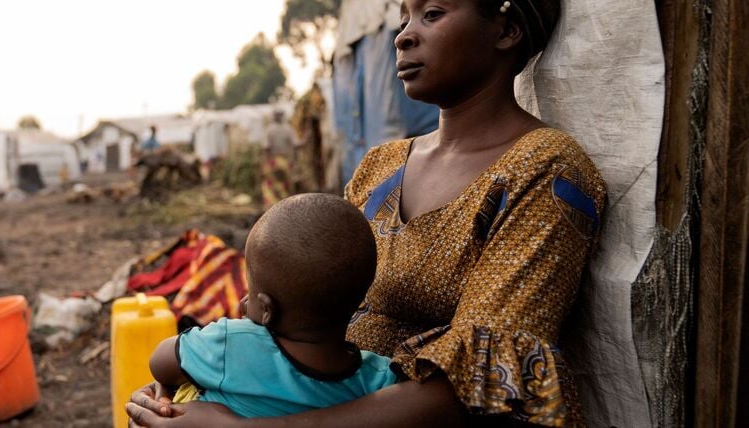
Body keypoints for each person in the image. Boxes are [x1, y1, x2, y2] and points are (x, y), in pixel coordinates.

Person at [127, 0, 606, 426]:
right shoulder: (380, 166)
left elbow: (484, 382)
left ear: (505, 31)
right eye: (403, 18)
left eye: (432, 14)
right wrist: (195, 391)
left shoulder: (545, 171)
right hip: (308, 398)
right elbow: (303, 309)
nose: (404, 35)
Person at [147, 194, 396, 418]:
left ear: (267, 310)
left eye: (251, 292)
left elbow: (160, 361)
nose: (245, 301)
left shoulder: (231, 344)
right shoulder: (379, 378)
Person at [261, 110, 298, 209]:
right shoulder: (288, 129)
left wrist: (265, 162)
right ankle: (286, 206)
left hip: (273, 161)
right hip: (285, 160)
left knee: (270, 184)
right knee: (286, 184)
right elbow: (296, 145)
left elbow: (266, 148)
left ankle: (271, 206)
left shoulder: (269, 129)